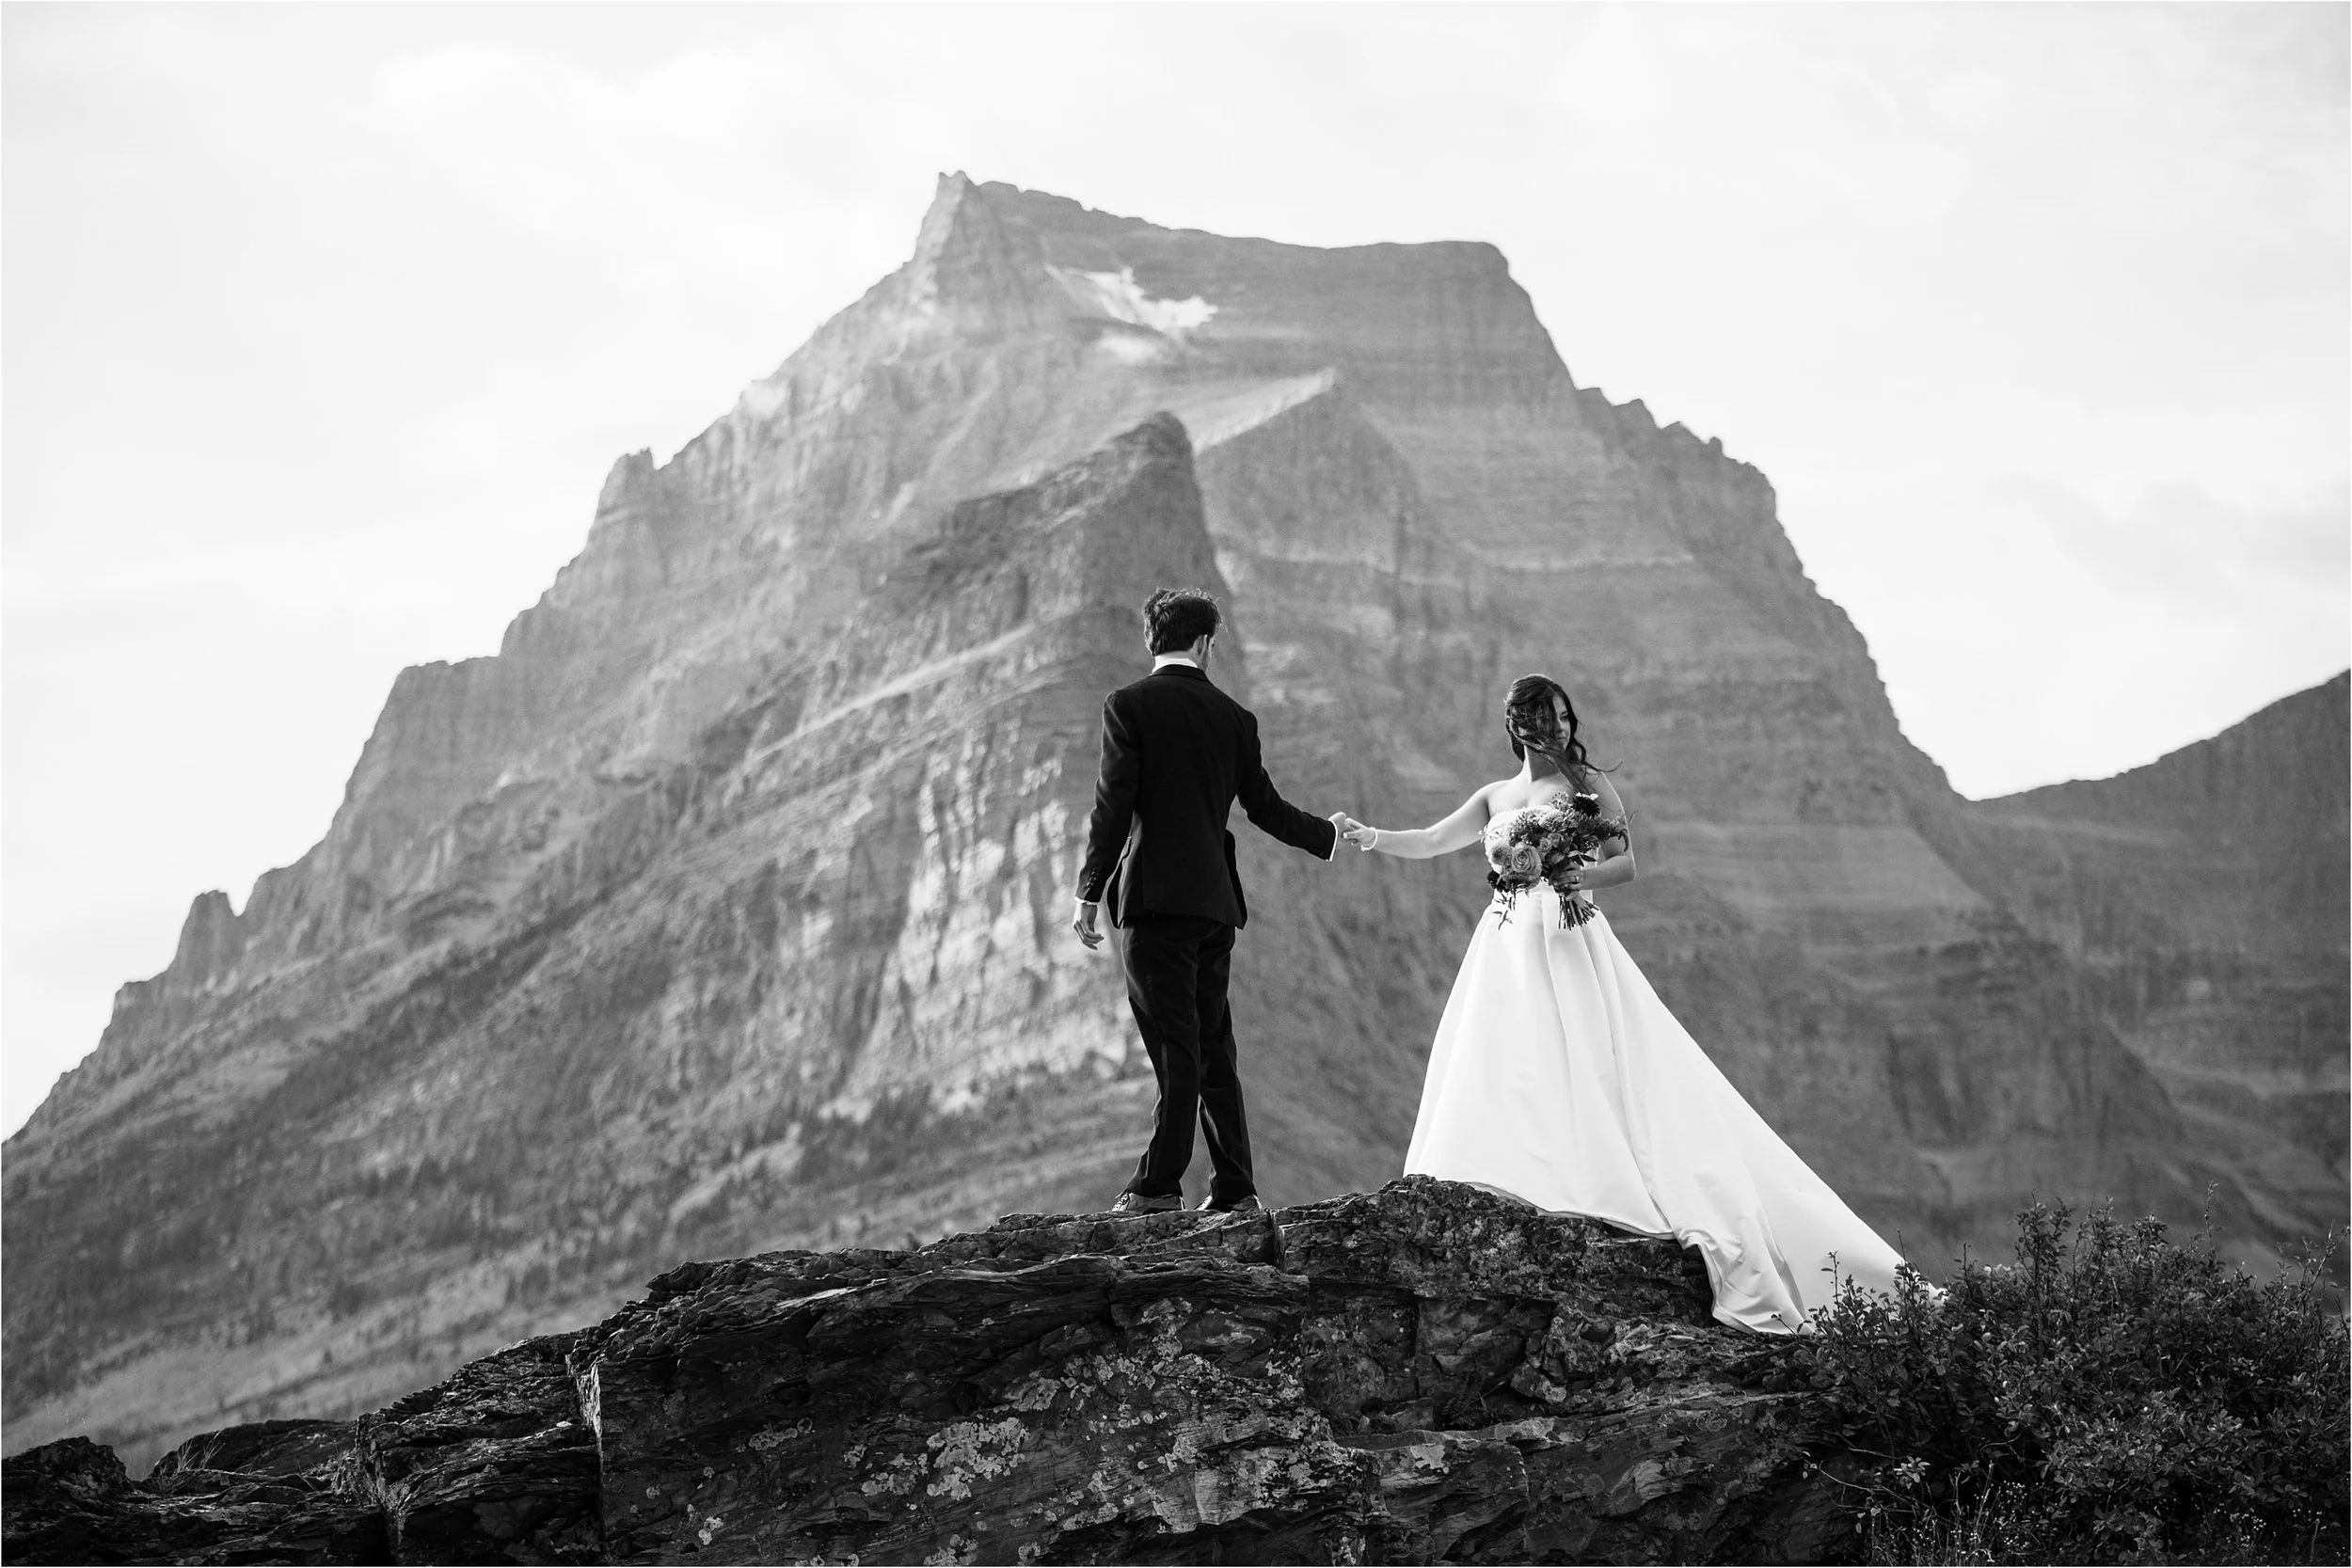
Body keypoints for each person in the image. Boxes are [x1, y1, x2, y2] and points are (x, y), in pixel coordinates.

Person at [1334, 673, 1913, 1332]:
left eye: (1564, 717)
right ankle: (1518, 1175)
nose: (1559, 728)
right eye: (1545, 717)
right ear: (1517, 725)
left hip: (1567, 937)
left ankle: (1596, 1181)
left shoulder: (1586, 785)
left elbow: (1626, 862)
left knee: (1587, 1057)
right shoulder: (1495, 795)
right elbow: (1434, 838)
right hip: (1505, 943)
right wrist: (1372, 836)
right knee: (1507, 1058)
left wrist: (1571, 875)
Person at [1073, 588, 1346, 1217]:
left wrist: (1089, 890)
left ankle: (1158, 1186)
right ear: (1204, 644)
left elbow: (1113, 806)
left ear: (1153, 639)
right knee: (1214, 1046)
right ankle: (1235, 1188)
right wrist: (1326, 834)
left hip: (1152, 901)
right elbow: (1265, 808)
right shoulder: (1235, 718)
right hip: (1215, 906)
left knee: (1176, 1043)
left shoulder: (1127, 706)